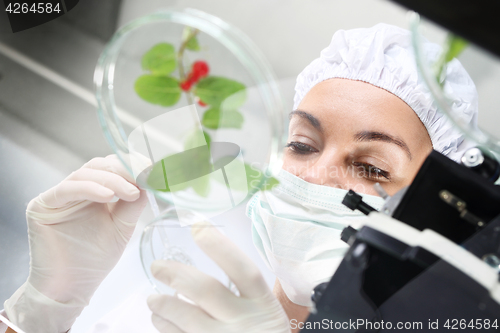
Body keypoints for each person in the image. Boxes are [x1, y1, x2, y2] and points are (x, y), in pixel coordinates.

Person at [0, 23, 477, 333]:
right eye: (303, 145)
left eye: (372, 168)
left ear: (431, 210)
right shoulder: (175, 301)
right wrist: (44, 307)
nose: (314, 174)